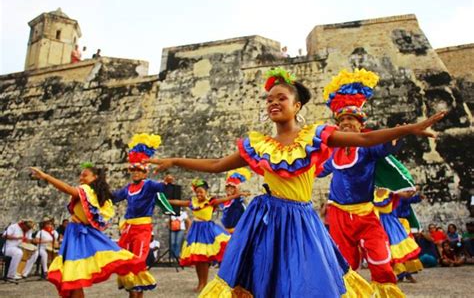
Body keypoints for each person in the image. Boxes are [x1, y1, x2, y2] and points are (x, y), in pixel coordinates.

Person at [146, 67, 444, 297]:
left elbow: (365, 138)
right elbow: (216, 165)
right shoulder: (259, 145)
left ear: (297, 104)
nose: (273, 103)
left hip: (301, 221)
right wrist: (174, 160)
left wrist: (410, 129)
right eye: (269, 99)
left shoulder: (315, 136)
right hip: (266, 220)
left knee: (306, 280)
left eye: (281, 98)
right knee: (264, 278)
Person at [318, 68, 417, 296]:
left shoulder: (367, 149)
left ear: (361, 124)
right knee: (344, 263)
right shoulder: (333, 154)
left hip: (365, 213)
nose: (346, 123)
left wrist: (400, 132)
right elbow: (318, 170)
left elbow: (385, 145)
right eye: (342, 120)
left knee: (379, 256)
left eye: (351, 119)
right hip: (339, 214)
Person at [29, 164, 145, 298]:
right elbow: (94, 218)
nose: (81, 178)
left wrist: (46, 176)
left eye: (85, 175)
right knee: (74, 277)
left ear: (95, 177)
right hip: (81, 233)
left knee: (73, 276)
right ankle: (136, 286)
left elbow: (67, 189)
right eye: (80, 175)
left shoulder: (86, 190)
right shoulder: (96, 194)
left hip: (77, 235)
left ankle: (136, 288)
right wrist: (77, 217)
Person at [112, 133, 172, 297]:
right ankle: (132, 293)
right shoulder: (128, 188)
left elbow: (162, 188)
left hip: (142, 230)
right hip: (128, 229)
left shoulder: (149, 185)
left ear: (145, 172)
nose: (136, 173)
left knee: (137, 262)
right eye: (133, 170)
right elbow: (114, 197)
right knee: (125, 262)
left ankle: (137, 293)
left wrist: (166, 182)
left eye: (139, 170)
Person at [167, 179, 241, 292]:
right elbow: (179, 202)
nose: (198, 194)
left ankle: (204, 283)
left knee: (204, 258)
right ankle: (200, 283)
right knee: (198, 258)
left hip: (207, 231)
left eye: (201, 191)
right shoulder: (193, 202)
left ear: (206, 191)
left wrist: (237, 195)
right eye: (197, 192)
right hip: (195, 231)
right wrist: (167, 201)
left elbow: (225, 199)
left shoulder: (211, 201)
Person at [373, 189, 422, 283]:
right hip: (383, 223)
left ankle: (406, 273)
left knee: (400, 249)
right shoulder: (378, 193)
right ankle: (400, 273)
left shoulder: (392, 193)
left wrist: (414, 193)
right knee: (392, 250)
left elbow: (407, 198)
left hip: (393, 223)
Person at [220, 167, 251, 233]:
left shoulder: (237, 202)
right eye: (227, 187)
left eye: (232, 188)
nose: (229, 189)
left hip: (236, 232)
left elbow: (238, 199)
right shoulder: (225, 201)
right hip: (226, 231)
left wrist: (238, 193)